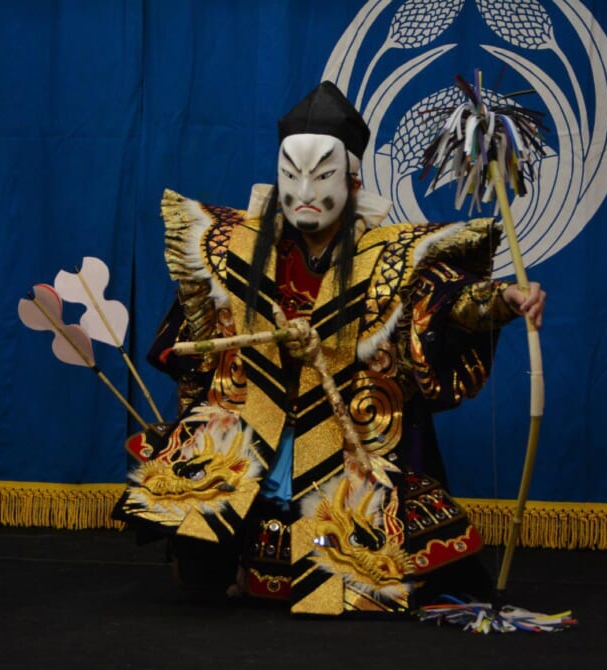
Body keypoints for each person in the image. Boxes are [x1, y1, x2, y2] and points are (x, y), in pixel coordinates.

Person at [114, 81, 546, 616]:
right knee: (201, 556)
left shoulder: (393, 255)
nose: (304, 192)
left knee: (393, 560)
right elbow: (194, 348)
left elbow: (450, 301)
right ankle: (229, 561)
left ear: (352, 178)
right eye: (290, 176)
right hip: (256, 427)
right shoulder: (238, 245)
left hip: (350, 433)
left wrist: (502, 299)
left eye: (322, 176)